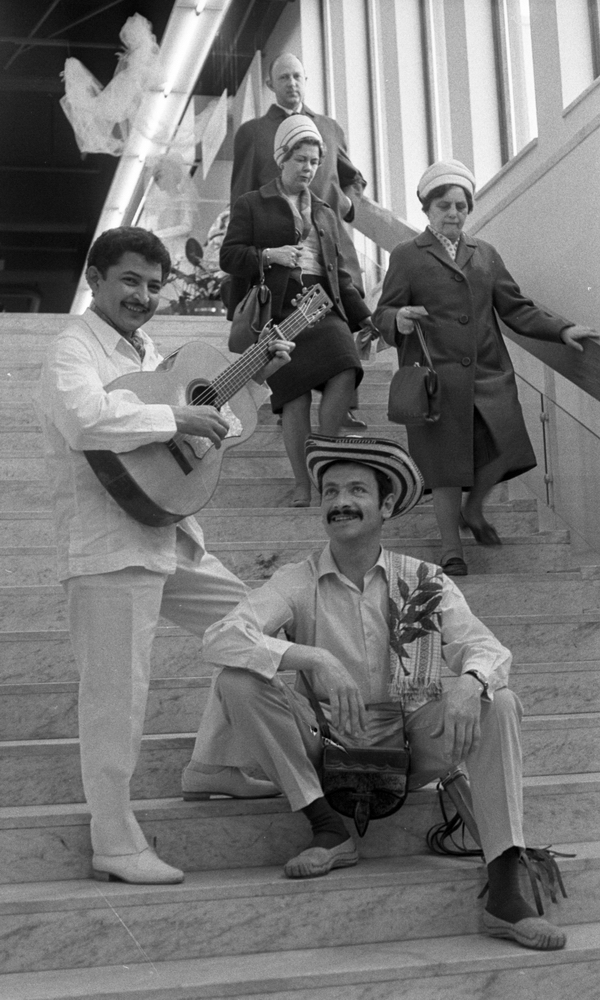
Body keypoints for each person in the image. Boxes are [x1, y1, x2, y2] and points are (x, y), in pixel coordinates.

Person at [183, 433, 566, 951]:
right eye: (331, 492)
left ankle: (503, 888)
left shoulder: (424, 580)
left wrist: (469, 683)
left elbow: (486, 648)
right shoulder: (296, 580)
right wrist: (312, 658)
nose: (340, 502)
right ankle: (327, 828)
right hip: (325, 743)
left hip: (411, 742)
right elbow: (221, 637)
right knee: (236, 680)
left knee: (499, 701)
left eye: (356, 490)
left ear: (386, 506)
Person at [36, 226, 293, 884]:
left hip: (168, 534)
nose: (143, 296)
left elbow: (207, 429)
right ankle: (114, 842)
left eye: (154, 285)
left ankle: (214, 761)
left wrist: (255, 381)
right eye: (130, 280)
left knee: (251, 621)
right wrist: (179, 418)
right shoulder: (72, 349)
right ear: (95, 279)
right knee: (116, 696)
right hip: (109, 545)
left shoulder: (150, 351)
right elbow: (86, 420)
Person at [373, 159, 600, 576]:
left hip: (489, 371)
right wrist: (398, 318)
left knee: (506, 443)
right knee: (444, 468)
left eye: (461, 206)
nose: (453, 213)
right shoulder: (407, 255)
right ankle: (450, 548)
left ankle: (474, 507)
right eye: (444, 205)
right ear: (427, 208)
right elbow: (382, 312)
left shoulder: (486, 254)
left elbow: (517, 308)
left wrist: (562, 329)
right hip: (435, 379)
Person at [220, 115, 377, 507]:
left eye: (314, 162)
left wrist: (364, 315)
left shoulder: (324, 211)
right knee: (294, 398)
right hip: (277, 313)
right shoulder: (252, 204)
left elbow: (338, 272)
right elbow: (229, 257)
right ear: (282, 159)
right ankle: (302, 484)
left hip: (321, 307)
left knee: (347, 367)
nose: (308, 168)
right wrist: (268, 255)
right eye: (301, 159)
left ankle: (323, 457)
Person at [231, 51, 368, 429]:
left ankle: (345, 407)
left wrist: (347, 203)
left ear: (305, 80)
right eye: (284, 77)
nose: (292, 83)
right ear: (270, 84)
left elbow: (352, 176)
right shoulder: (252, 132)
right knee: (290, 333)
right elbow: (240, 194)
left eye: (297, 76)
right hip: (280, 255)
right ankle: (291, 402)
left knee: (343, 317)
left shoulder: (330, 128)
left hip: (330, 246)